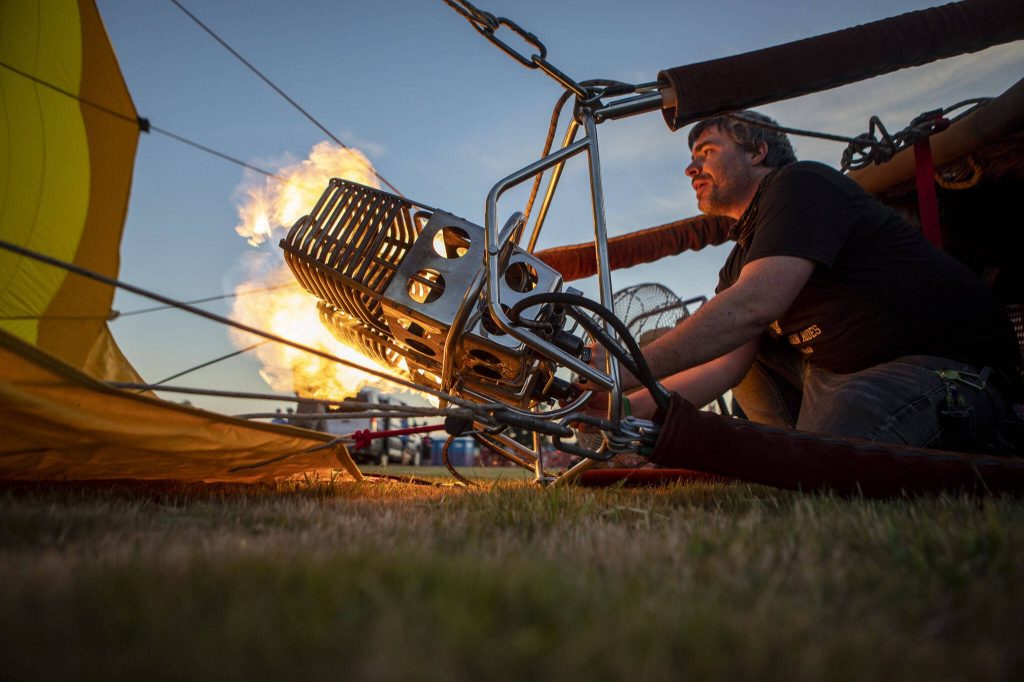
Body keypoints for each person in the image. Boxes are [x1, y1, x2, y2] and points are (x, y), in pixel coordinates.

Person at [602, 110, 1021, 452]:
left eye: (707, 151)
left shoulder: (803, 185)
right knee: (724, 336)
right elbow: (722, 365)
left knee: (827, 455)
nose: (691, 167)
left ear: (757, 151)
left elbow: (753, 306)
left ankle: (805, 454)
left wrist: (616, 368)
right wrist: (618, 406)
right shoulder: (739, 262)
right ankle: (786, 454)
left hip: (943, 369)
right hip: (837, 375)